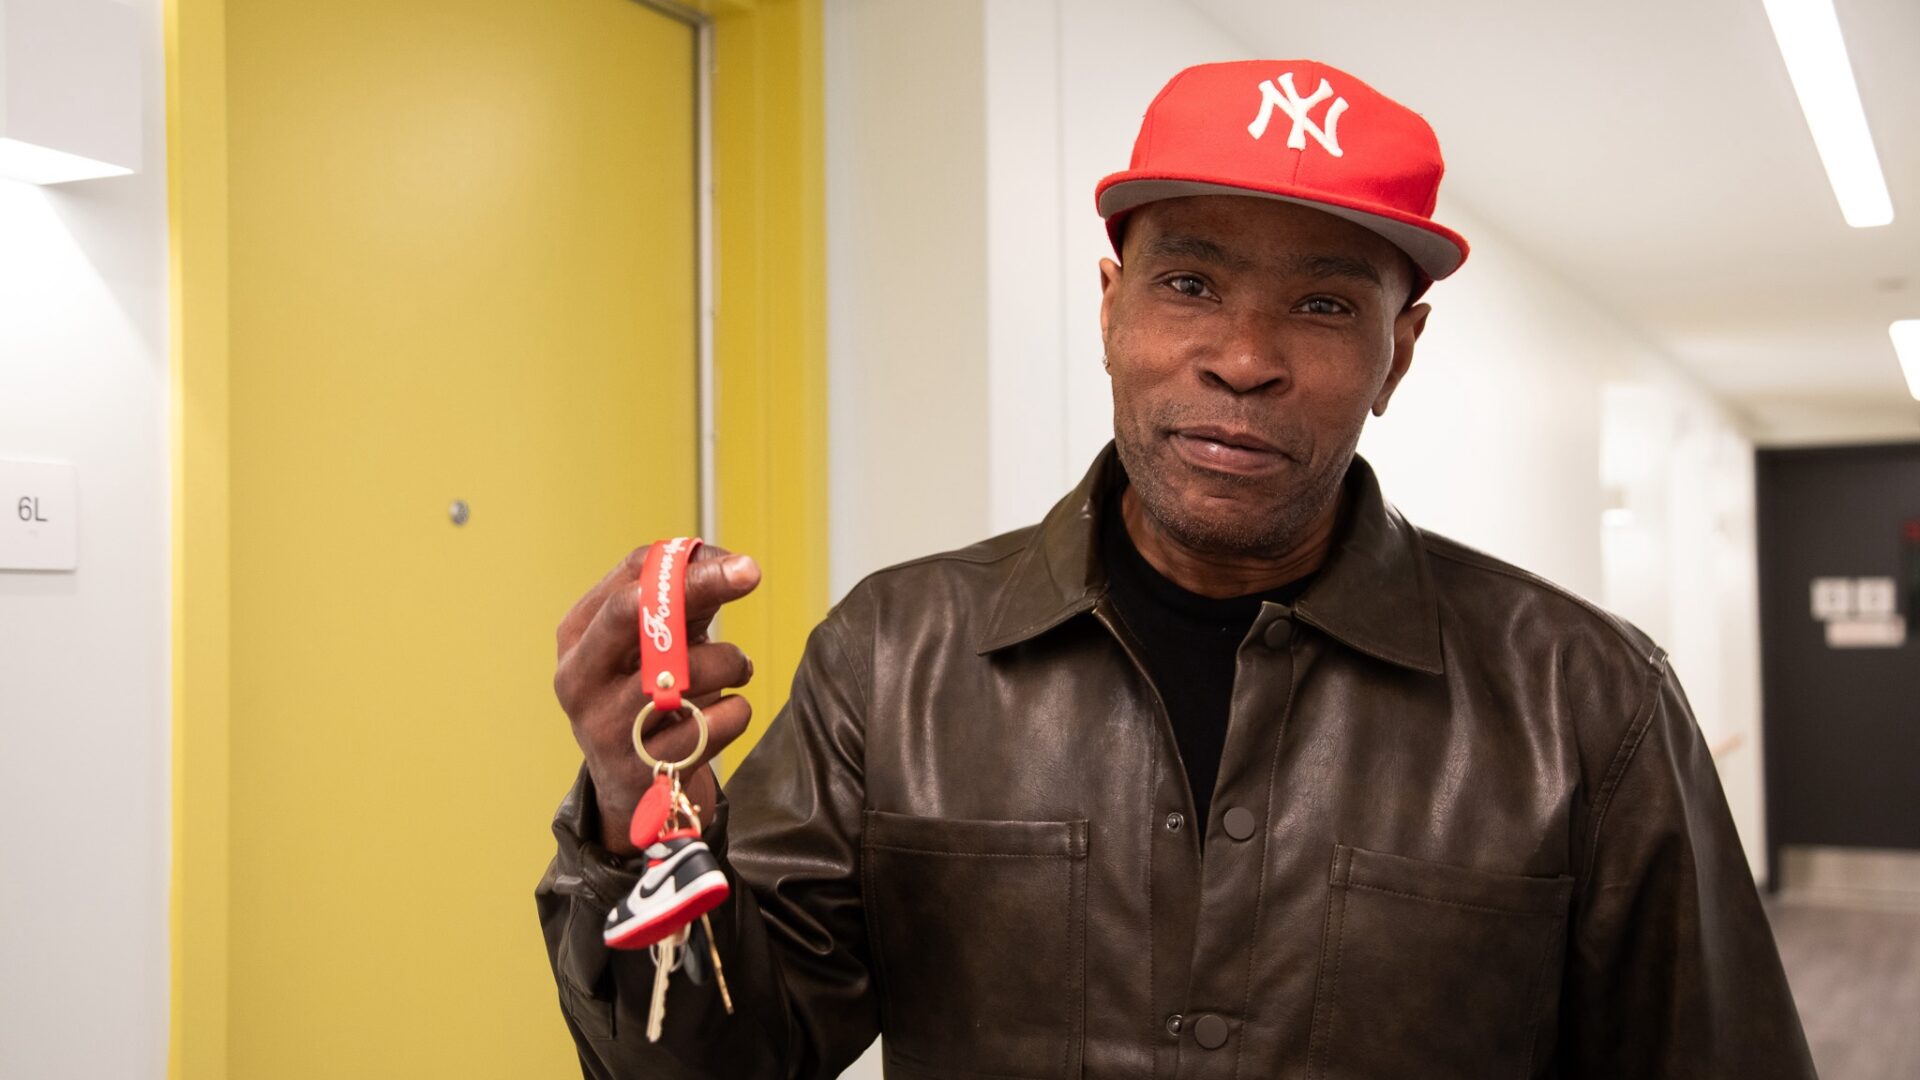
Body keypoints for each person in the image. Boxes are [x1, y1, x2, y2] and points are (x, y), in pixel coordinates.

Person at [538, 59, 1816, 1078]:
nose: (1244, 358)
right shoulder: (894, 657)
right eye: (1190, 282)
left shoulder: (1587, 703)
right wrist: (622, 813)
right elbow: (717, 1062)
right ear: (1111, 305)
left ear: (1400, 352)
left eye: (1323, 306)